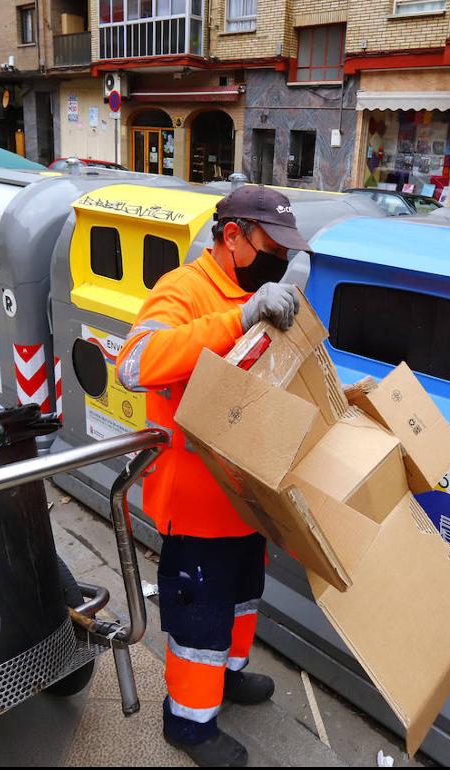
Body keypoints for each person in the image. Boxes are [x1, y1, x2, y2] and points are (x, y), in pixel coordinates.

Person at [115, 184, 309, 767]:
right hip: (197, 500)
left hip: (244, 495)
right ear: (233, 236)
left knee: (243, 598)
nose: (279, 258)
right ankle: (190, 724)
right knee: (200, 613)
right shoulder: (185, 290)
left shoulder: (258, 293)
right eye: (270, 246)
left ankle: (227, 678)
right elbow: (134, 365)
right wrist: (240, 318)